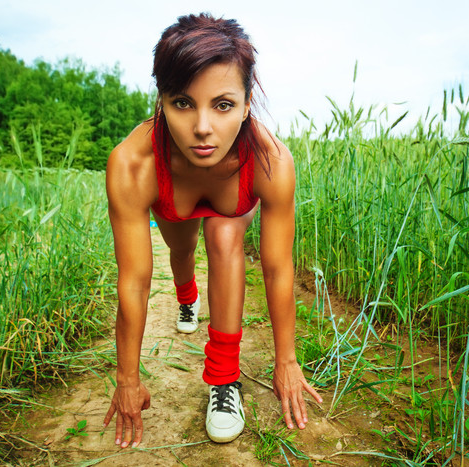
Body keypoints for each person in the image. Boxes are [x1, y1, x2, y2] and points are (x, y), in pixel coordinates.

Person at [103, 12, 322, 448]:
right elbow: (134, 280)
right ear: (162, 100)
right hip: (172, 200)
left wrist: (287, 359)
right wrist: (127, 377)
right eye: (183, 103)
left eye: (222, 104)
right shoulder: (132, 164)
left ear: (245, 105)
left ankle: (224, 382)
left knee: (224, 238)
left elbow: (279, 270)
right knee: (180, 252)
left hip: (231, 204)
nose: (202, 127)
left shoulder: (271, 161)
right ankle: (187, 300)